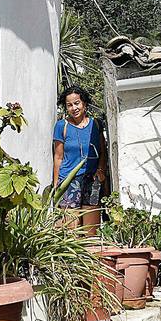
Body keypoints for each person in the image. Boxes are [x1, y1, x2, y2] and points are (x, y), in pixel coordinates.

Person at [52, 85, 108, 235]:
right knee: (70, 228)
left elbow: (103, 151)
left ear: (84, 104)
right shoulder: (61, 126)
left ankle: (91, 257)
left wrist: (101, 170)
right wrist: (56, 183)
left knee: (91, 229)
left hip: (92, 179)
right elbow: (58, 157)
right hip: (69, 181)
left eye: (77, 103)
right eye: (69, 105)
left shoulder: (95, 124)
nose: (74, 108)